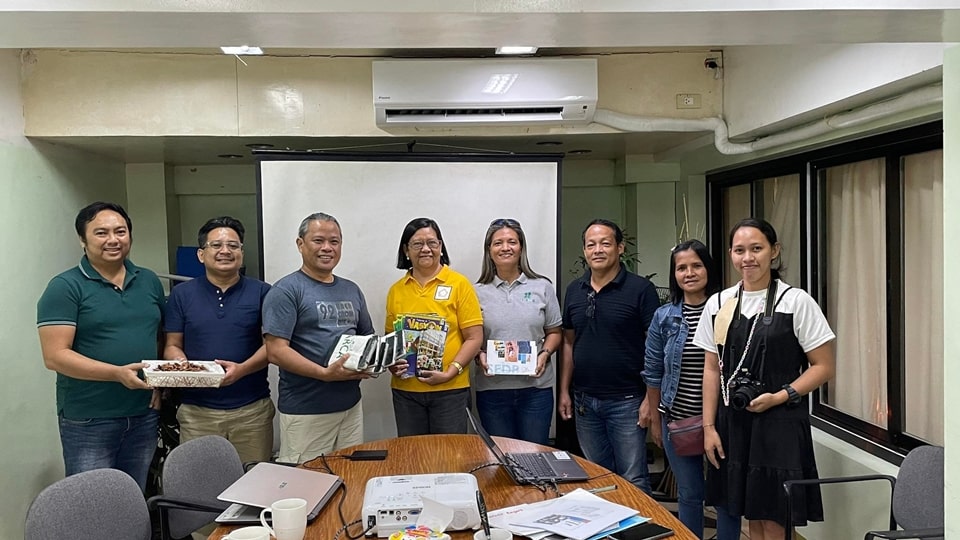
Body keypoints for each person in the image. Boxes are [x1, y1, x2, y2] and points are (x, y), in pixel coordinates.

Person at [693, 218, 836, 540]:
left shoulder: (795, 301)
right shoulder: (718, 303)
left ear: (774, 251)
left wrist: (781, 395)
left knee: (774, 517)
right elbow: (712, 369)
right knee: (749, 514)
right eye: (740, 250)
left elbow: (824, 367)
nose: (748, 258)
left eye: (757, 249)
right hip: (734, 422)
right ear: (730, 254)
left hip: (780, 423)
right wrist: (709, 428)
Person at [37, 201, 165, 491]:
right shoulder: (65, 287)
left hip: (143, 412)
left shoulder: (148, 280)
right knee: (92, 503)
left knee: (133, 497)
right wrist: (117, 373)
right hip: (89, 418)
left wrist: (160, 383)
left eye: (120, 231)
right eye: (101, 233)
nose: (113, 240)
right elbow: (55, 356)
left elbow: (158, 336)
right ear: (83, 239)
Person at [640, 240, 741, 539]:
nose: (689, 273)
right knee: (689, 494)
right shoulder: (664, 316)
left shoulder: (728, 311)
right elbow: (653, 369)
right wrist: (657, 419)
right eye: (681, 268)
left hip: (723, 423)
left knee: (726, 499)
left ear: (709, 268)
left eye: (696, 265)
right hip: (678, 420)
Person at [558, 219, 660, 494]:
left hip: (627, 402)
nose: (598, 249)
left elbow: (654, 345)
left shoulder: (640, 290)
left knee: (633, 479)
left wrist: (650, 400)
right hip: (584, 402)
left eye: (605, 243)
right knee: (596, 478)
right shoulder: (574, 290)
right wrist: (564, 391)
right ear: (584, 250)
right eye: (591, 244)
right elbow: (568, 343)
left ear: (620, 248)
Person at [262, 213, 374, 464]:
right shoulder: (286, 290)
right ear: (300, 244)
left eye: (334, 241)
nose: (327, 248)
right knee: (307, 486)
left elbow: (367, 337)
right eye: (318, 240)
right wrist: (323, 373)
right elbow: (276, 351)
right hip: (306, 411)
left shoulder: (351, 289)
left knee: (351, 479)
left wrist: (378, 360)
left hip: (350, 407)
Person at [163, 216, 274, 464]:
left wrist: (242, 370)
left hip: (252, 411)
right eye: (216, 245)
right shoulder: (181, 294)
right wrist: (181, 363)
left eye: (233, 246)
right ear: (201, 255)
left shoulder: (263, 292)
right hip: (196, 412)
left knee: (253, 486)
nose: (225, 251)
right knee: (199, 489)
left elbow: (274, 347)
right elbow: (172, 344)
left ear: (242, 253)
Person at [386, 218, 483, 436]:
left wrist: (451, 372)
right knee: (413, 456)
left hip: (451, 390)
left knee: (449, 458)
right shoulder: (396, 290)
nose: (426, 249)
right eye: (417, 244)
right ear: (406, 250)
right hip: (406, 391)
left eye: (432, 242)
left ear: (440, 246)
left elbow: (474, 338)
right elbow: (390, 338)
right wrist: (392, 363)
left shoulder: (459, 284)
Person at [472, 218, 562, 446]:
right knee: (502, 458)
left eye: (512, 241)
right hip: (492, 391)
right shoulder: (475, 292)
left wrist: (544, 355)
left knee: (535, 454)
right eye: (498, 243)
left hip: (535, 390)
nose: (505, 248)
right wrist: (478, 355)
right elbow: (471, 339)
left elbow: (555, 332)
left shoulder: (542, 286)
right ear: (489, 250)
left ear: (521, 247)